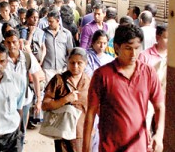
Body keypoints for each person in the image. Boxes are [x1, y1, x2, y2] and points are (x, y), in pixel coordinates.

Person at [83, 24, 165, 152]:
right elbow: (91, 113)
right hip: (110, 146)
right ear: (116, 47)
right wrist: (85, 147)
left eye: (137, 48)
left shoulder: (148, 73)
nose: (133, 54)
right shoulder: (102, 75)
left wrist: (159, 135)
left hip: (139, 146)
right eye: (128, 48)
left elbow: (160, 106)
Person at [42, 47, 90, 152]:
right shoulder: (58, 80)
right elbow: (45, 105)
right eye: (72, 62)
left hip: (82, 132)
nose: (75, 66)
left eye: (79, 63)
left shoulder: (90, 82)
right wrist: (65, 99)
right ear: (67, 62)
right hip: (62, 132)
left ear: (85, 63)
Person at [3, 30, 42, 149]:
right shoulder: (2, 59)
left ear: (19, 42)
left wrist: (38, 99)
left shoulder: (27, 57)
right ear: (4, 43)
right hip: (6, 100)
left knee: (21, 130)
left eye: (14, 42)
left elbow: (36, 76)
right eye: (8, 43)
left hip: (24, 100)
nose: (11, 45)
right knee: (7, 130)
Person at [138, 24, 168, 132]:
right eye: (166, 37)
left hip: (166, 101)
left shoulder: (172, 57)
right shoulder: (145, 56)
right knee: (146, 128)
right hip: (149, 100)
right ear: (157, 37)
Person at [42, 9, 73, 83]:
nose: (49, 23)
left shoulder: (66, 33)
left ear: (58, 20)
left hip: (62, 67)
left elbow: (70, 51)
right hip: (48, 68)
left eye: (51, 21)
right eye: (48, 21)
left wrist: (68, 65)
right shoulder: (43, 32)